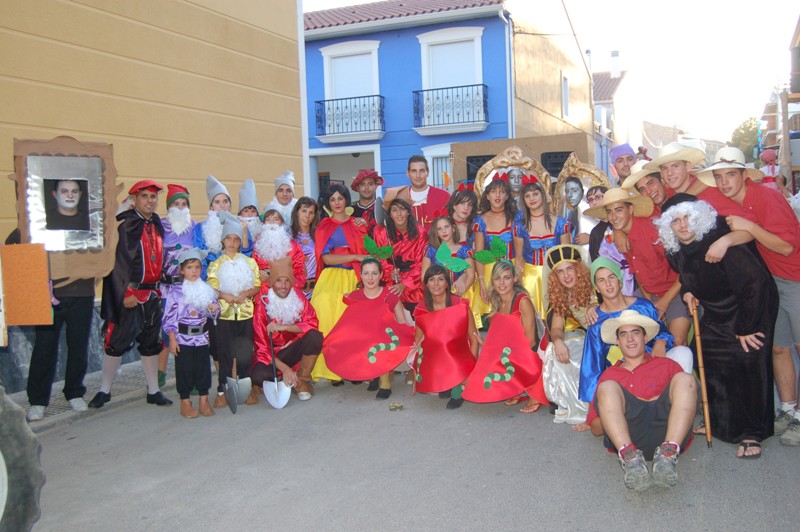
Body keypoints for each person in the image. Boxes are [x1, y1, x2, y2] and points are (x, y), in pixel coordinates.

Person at [655, 194, 777, 457]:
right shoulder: (675, 250)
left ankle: (751, 432)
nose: (683, 225)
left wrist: (746, 327)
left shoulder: (721, 243)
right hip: (715, 309)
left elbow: (755, 283)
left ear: (698, 217)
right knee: (707, 354)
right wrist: (687, 291)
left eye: (687, 217)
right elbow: (688, 275)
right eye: (675, 221)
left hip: (750, 306)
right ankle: (721, 423)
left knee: (747, 359)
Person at [695, 147, 800, 446]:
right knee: (778, 348)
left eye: (731, 174)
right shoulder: (726, 201)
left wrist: (750, 227)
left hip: (794, 277)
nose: (725, 181)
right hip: (770, 281)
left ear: (744, 175)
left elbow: (786, 248)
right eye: (719, 177)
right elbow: (735, 229)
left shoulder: (766, 197)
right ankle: (787, 409)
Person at [586, 310, 697, 491]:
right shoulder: (610, 375)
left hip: (666, 430)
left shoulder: (666, 365)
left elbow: (687, 398)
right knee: (607, 387)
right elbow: (596, 429)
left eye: (635, 333)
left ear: (645, 338)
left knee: (686, 379)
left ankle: (668, 455)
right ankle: (630, 460)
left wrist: (653, 400)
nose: (630, 339)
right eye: (624, 334)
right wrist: (617, 411)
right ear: (617, 342)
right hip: (630, 434)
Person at [18, 179, 95, 421]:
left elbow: (105, 247)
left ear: (80, 194)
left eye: (74, 191)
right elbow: (17, 245)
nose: (69, 195)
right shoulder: (40, 222)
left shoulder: (90, 223)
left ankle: (74, 393)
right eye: (64, 190)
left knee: (78, 347)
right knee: (44, 349)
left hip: (82, 294)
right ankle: (38, 401)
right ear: (54, 193)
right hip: (48, 296)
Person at [91, 180, 172, 408]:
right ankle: (104, 390)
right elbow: (116, 263)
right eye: (144, 196)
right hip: (130, 295)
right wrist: (125, 292)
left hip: (152, 294)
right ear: (134, 199)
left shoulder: (156, 223)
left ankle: (153, 390)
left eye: (153, 197)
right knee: (116, 342)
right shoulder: (125, 224)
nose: (149, 200)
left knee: (150, 343)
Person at [585, 188, 690, 348]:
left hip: (675, 290)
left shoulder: (652, 231)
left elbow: (685, 270)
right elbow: (637, 273)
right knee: (626, 330)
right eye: (610, 212)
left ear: (631, 209)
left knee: (676, 341)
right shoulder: (621, 237)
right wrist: (647, 301)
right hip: (647, 292)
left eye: (619, 210)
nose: (614, 217)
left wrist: (664, 302)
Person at [579, 258, 691, 404]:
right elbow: (592, 365)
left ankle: (679, 405)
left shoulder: (643, 306)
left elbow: (663, 332)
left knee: (683, 352)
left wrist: (661, 341)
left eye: (611, 277)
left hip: (651, 363)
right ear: (597, 288)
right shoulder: (596, 321)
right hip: (624, 376)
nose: (608, 284)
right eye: (601, 280)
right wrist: (594, 410)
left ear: (619, 280)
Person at [322, 258, 414, 399]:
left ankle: (385, 383)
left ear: (381, 275)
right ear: (361, 275)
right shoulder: (354, 297)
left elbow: (401, 322)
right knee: (363, 338)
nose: (370, 278)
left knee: (378, 338)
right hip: (363, 339)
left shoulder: (390, 294)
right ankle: (371, 375)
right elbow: (349, 325)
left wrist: (411, 336)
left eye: (374, 273)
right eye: (366, 273)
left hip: (386, 338)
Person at [462, 261, 548, 414]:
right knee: (478, 379)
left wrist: (501, 352)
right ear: (493, 281)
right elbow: (504, 334)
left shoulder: (522, 301)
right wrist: (490, 345)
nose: (502, 283)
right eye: (497, 278)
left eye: (506, 278)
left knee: (495, 361)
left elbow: (531, 341)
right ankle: (515, 386)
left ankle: (532, 387)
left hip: (531, 354)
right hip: (513, 351)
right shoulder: (498, 302)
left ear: (514, 279)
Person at [310, 183, 368, 383]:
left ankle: (353, 367)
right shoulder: (324, 227)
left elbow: (367, 250)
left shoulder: (357, 224)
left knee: (353, 322)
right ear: (328, 202)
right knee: (326, 313)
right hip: (332, 277)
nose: (337, 203)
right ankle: (332, 368)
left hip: (355, 277)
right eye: (332, 199)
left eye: (340, 198)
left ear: (346, 200)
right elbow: (326, 259)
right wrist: (355, 256)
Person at [206, 212, 261, 407]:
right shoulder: (215, 264)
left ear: (240, 242)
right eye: (228, 238)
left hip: (245, 313)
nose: (232, 242)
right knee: (225, 354)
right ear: (222, 241)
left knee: (245, 352)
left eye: (236, 239)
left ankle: (246, 388)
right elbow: (212, 286)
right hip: (224, 315)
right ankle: (223, 390)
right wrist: (224, 296)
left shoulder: (249, 262)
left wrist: (246, 293)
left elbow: (256, 285)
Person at [252, 257, 322, 401]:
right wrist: (285, 368)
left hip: (293, 349)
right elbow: (262, 349)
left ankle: (301, 381)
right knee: (258, 375)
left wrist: (284, 327)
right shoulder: (262, 306)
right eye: (279, 281)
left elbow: (312, 323)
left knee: (315, 337)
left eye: (287, 281)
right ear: (272, 283)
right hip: (274, 356)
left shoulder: (298, 297)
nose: (283, 286)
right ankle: (286, 376)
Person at [162, 249, 219, 418]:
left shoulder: (207, 289)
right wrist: (172, 339)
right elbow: (169, 318)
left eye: (196, 267)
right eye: (189, 268)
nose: (193, 271)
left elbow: (215, 313)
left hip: (202, 337)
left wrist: (214, 310)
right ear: (181, 270)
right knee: (184, 369)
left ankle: (204, 400)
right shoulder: (175, 292)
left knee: (203, 369)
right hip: (183, 337)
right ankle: (185, 402)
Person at [412, 265, 479, 409]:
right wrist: (418, 372)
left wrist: (470, 368)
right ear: (426, 284)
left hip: (460, 354)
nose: (436, 284)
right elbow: (418, 342)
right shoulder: (421, 309)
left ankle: (456, 387)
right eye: (431, 280)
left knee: (449, 345)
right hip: (436, 355)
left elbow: (473, 338)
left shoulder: (460, 305)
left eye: (440, 279)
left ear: (447, 283)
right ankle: (443, 380)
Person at [541, 245, 594, 427]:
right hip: (585, 340)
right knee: (563, 353)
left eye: (569, 268)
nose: (566, 275)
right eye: (560, 272)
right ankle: (582, 409)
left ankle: (594, 413)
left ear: (578, 268)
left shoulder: (597, 287)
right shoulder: (561, 296)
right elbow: (556, 328)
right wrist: (557, 341)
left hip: (609, 341)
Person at [513, 174, 571, 314]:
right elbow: (519, 258)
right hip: (530, 279)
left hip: (556, 278)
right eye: (527, 196)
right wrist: (518, 283)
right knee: (532, 320)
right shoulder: (519, 227)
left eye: (535, 194)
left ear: (543, 196)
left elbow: (568, 258)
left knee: (557, 317)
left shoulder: (561, 223)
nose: (532, 198)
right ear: (523, 200)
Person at [157, 184, 197, 387]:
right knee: (167, 333)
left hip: (189, 289)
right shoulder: (160, 226)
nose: (180, 208)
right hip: (166, 289)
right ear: (169, 207)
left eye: (184, 204)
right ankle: (159, 378)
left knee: (188, 332)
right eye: (176, 204)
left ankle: (189, 377)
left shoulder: (194, 227)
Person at [472, 175, 518, 316]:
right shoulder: (480, 221)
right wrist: (481, 280)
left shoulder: (517, 217)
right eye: (493, 191)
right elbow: (479, 254)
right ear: (487, 196)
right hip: (489, 270)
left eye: (502, 191)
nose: (497, 195)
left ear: (507, 196)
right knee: (491, 312)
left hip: (512, 268)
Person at [193, 174, 253, 279]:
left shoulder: (240, 224)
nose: (222, 206)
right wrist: (209, 279)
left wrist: (243, 233)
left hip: (237, 276)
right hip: (210, 278)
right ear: (211, 206)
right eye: (217, 202)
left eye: (225, 201)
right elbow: (199, 258)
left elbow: (247, 254)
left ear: (230, 204)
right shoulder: (200, 228)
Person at [372, 198, 427, 313]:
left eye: (402, 209)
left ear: (408, 212)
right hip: (390, 282)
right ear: (390, 214)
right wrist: (389, 273)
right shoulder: (381, 232)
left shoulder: (420, 233)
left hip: (414, 286)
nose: (399, 214)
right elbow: (379, 259)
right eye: (394, 210)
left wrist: (405, 284)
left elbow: (421, 263)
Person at [383, 155, 450, 232]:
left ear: (427, 172)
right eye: (414, 171)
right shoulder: (400, 197)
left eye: (421, 171)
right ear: (408, 173)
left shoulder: (443, 196)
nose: (418, 176)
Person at [252, 209, 306, 300]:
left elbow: (300, 273)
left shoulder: (293, 246)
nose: (271, 223)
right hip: (264, 294)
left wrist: (283, 282)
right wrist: (257, 274)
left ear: (282, 223)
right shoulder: (257, 247)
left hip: (288, 293)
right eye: (268, 220)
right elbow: (252, 270)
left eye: (276, 219)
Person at [421, 215, 475, 297]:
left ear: (453, 228)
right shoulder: (430, 251)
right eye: (439, 229)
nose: (444, 231)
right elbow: (424, 277)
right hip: (437, 296)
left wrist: (456, 296)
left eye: (446, 227)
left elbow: (471, 276)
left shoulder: (465, 251)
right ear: (436, 232)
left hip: (460, 296)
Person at [290, 197, 319, 299]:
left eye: (311, 212)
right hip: (293, 292)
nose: (307, 216)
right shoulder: (287, 235)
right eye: (304, 211)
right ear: (297, 212)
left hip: (316, 291)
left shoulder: (319, 235)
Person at [350, 168, 382, 233]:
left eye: (370, 184)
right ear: (357, 187)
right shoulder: (350, 210)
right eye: (362, 184)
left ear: (375, 186)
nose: (366, 188)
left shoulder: (382, 208)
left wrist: (367, 225)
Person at [561, 176, 584, 241]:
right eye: (567, 191)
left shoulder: (592, 217)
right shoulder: (565, 217)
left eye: (574, 191)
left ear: (582, 192)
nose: (570, 195)